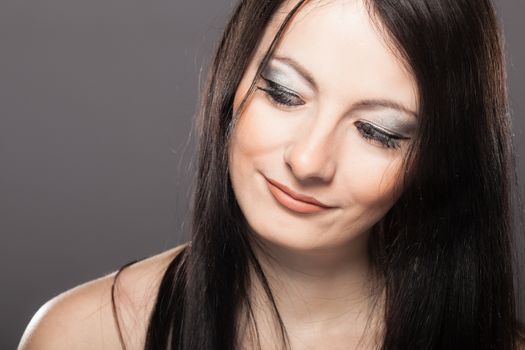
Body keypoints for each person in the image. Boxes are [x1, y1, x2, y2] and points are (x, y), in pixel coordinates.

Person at [18, 0, 525, 349]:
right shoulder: (85, 334)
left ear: (440, 158)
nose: (307, 162)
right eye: (283, 93)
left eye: (378, 131)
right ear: (233, 78)